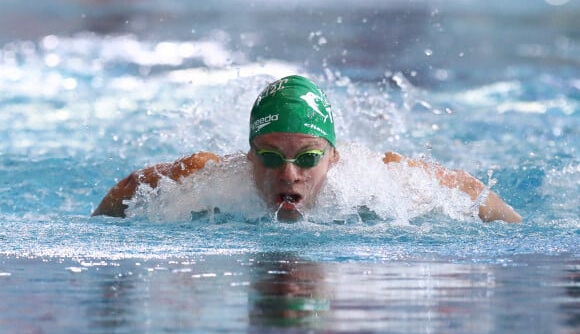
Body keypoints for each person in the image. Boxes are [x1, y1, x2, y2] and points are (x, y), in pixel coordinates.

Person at [92, 75, 522, 223]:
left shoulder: (380, 182)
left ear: (333, 157)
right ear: (249, 157)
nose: (290, 174)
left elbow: (466, 190)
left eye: (309, 158)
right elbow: (133, 185)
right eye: (271, 157)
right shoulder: (208, 177)